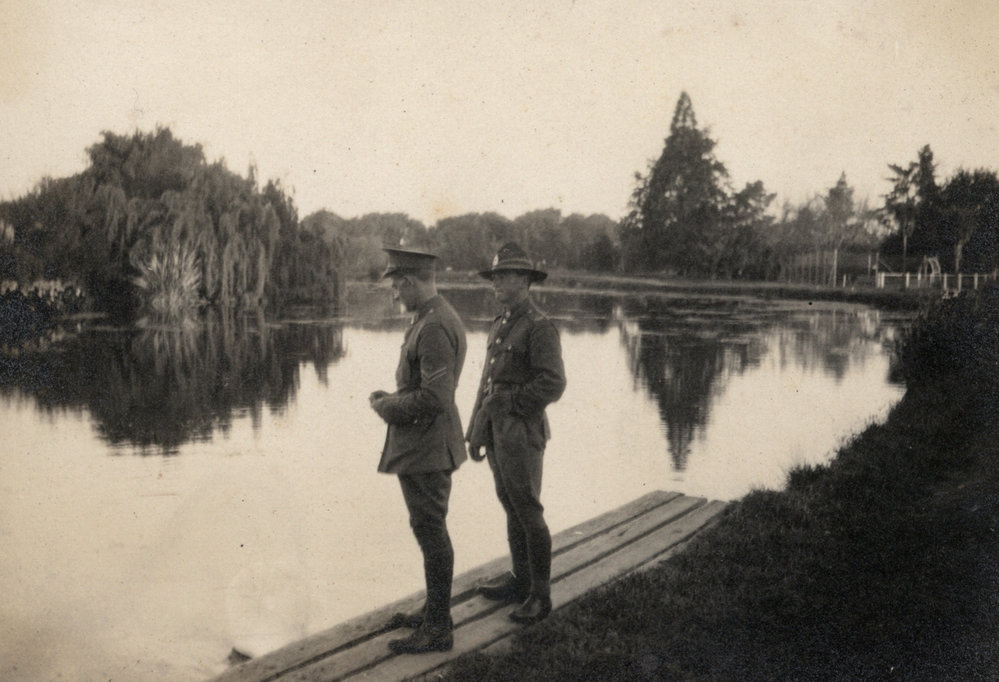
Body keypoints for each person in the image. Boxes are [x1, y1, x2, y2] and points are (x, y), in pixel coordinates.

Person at [368, 247, 467, 654]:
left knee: (430, 531)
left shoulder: (433, 326)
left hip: (428, 448)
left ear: (409, 282)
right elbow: (427, 389)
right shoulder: (433, 317)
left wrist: (386, 406)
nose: (394, 294)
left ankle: (439, 629)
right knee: (429, 527)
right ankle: (434, 610)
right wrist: (392, 397)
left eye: (396, 286)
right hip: (427, 445)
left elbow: (434, 398)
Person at [466, 242, 566, 624]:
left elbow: (553, 384)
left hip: (523, 433)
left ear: (524, 281)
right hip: (496, 434)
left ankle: (540, 595)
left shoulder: (539, 327)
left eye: (504, 276)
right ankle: (519, 580)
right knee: (510, 505)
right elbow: (486, 382)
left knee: (528, 509)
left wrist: (509, 405)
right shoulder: (501, 323)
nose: (496, 283)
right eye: (495, 276)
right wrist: (476, 430)